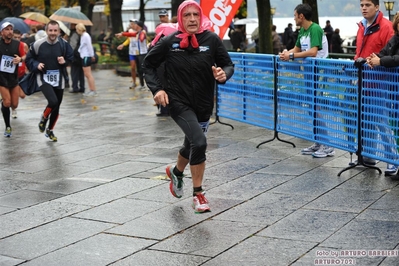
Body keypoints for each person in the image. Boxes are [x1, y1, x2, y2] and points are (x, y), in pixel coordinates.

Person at [143, 0, 234, 213]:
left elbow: (228, 64)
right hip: (178, 102)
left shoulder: (211, 39)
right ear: (180, 18)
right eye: (187, 15)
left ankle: (176, 171)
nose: (192, 19)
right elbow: (148, 64)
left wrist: (223, 74)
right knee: (200, 142)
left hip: (203, 103)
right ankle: (198, 194)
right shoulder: (169, 41)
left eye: (195, 14)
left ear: (200, 17)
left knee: (192, 143)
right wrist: (157, 90)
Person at [279, 3, 333, 158]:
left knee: (315, 107)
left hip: (319, 72)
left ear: (301, 16)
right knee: (311, 106)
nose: (294, 18)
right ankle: (319, 141)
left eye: (295, 15)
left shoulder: (315, 29)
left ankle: (327, 144)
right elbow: (296, 49)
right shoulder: (302, 30)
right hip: (309, 72)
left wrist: (291, 56)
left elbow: (313, 52)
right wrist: (285, 54)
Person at [354, 0, 396, 175]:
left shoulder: (386, 27)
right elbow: (359, 52)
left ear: (377, 7)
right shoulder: (362, 26)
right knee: (366, 121)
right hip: (363, 82)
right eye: (362, 4)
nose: (364, 8)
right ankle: (368, 156)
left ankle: (392, 159)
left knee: (381, 121)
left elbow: (391, 54)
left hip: (380, 83)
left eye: (368, 5)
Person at [25, 20, 74, 141]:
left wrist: (65, 62)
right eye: (50, 30)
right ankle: (44, 117)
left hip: (59, 78)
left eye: (55, 31)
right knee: (52, 101)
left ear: (59, 31)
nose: (53, 33)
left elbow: (71, 57)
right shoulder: (38, 44)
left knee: (57, 107)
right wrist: (36, 65)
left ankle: (50, 130)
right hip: (43, 77)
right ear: (47, 31)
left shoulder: (64, 44)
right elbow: (29, 59)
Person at [0, 22, 25, 137]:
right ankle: (8, 126)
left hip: (13, 77)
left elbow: (25, 56)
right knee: (8, 102)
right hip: (1, 77)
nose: (10, 31)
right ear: (2, 32)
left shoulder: (18, 44)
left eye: (11, 29)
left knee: (14, 104)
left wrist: (20, 59)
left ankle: (4, 104)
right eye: (7, 29)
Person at [116, 20, 148, 90]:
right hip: (133, 52)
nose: (132, 25)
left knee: (142, 69)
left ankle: (144, 84)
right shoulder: (133, 32)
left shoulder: (143, 32)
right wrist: (122, 35)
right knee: (134, 68)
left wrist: (142, 35)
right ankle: (137, 83)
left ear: (138, 26)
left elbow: (142, 38)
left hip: (141, 52)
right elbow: (131, 36)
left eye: (134, 24)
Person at [76, 23, 97, 96]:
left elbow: (89, 46)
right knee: (87, 74)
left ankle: (93, 90)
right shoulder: (83, 36)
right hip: (84, 56)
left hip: (86, 56)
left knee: (88, 74)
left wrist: (92, 55)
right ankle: (91, 89)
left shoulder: (86, 36)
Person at [11, 29, 28, 119]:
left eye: (19, 37)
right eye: (15, 37)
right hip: (12, 75)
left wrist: (26, 65)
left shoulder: (23, 45)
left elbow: (28, 56)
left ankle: (11, 99)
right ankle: (13, 109)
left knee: (23, 95)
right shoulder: (9, 46)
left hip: (21, 74)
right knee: (15, 96)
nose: (17, 39)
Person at [69, 23, 85, 93]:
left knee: (74, 72)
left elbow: (72, 45)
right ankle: (82, 87)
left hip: (75, 56)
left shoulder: (74, 34)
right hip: (82, 55)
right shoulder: (83, 34)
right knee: (81, 72)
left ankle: (75, 87)